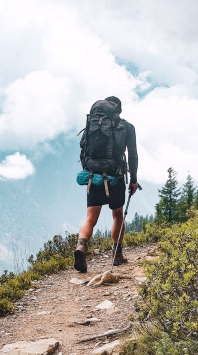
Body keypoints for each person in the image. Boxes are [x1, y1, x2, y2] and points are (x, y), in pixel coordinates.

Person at [74, 96, 139, 272]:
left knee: (90, 218)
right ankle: (117, 255)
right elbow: (133, 155)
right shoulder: (127, 127)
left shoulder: (92, 125)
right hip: (115, 176)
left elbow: (83, 149)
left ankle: (81, 246)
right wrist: (133, 180)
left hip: (93, 177)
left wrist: (90, 171)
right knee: (118, 215)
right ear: (119, 110)